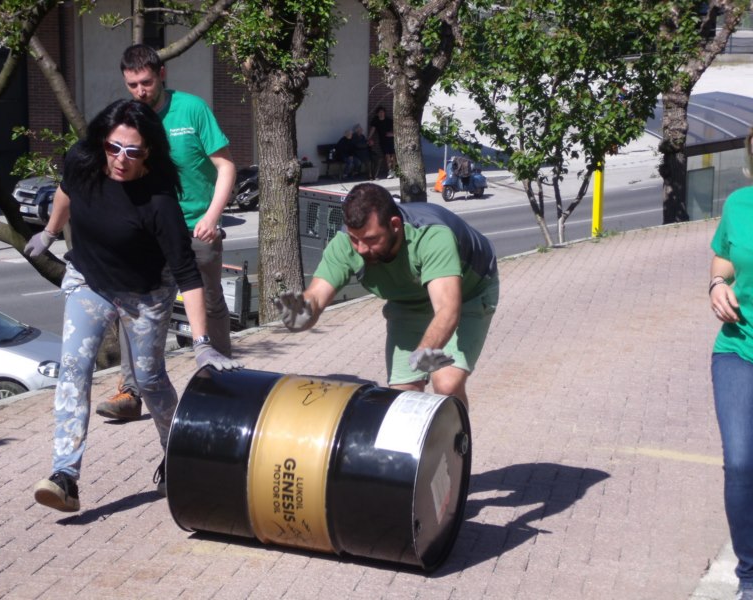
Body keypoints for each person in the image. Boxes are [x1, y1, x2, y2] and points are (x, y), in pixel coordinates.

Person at [25, 99, 241, 513]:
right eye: (113, 147)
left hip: (145, 294)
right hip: (90, 281)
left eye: (133, 151)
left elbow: (187, 274)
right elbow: (66, 192)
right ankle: (65, 476)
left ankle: (177, 455)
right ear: (101, 142)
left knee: (150, 379)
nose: (120, 159)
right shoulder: (83, 159)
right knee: (73, 370)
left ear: (150, 153)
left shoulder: (158, 202)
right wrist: (51, 232)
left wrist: (201, 343)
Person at [96, 44, 236, 421]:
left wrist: (213, 215)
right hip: (148, 230)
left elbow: (225, 166)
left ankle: (219, 381)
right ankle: (130, 390)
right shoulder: (131, 119)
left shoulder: (192, 109)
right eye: (132, 84)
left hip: (195, 228)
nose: (140, 91)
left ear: (161, 75)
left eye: (145, 82)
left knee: (208, 304)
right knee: (135, 306)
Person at [273, 182, 499, 408]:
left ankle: (456, 442)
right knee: (404, 396)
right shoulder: (345, 244)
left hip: (469, 293)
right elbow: (317, 296)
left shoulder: (431, 236)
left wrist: (424, 351)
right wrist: (301, 314)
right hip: (408, 304)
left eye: (371, 239)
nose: (360, 248)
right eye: (355, 239)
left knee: (446, 383)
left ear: (394, 225)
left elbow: (447, 310)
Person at [709, 129, 753, 600]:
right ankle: (749, 577)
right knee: (741, 463)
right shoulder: (740, 204)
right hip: (739, 348)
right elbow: (723, 259)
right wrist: (717, 286)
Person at [368, 105, 396, 179]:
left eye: (382, 112)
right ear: (377, 113)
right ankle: (390, 171)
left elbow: (397, 130)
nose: (381, 114)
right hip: (383, 141)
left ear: (384, 113)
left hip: (391, 140)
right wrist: (369, 138)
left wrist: (392, 134)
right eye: (380, 112)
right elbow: (372, 130)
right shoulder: (376, 121)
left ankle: (394, 171)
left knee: (393, 155)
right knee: (387, 156)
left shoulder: (389, 121)